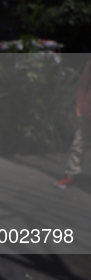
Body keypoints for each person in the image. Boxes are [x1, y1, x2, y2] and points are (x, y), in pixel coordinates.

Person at [54, 59, 91, 189]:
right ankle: (70, 175)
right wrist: (79, 107)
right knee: (78, 144)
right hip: (88, 112)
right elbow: (83, 84)